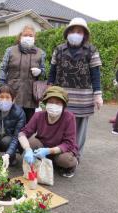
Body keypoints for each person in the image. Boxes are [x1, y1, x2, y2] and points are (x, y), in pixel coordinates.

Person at [48, 17, 102, 157]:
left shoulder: (91, 50)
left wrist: (98, 94)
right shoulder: (59, 50)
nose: (76, 34)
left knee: (79, 129)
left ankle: (73, 158)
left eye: (79, 31)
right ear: (67, 32)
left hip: (82, 98)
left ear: (84, 34)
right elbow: (52, 71)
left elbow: (95, 74)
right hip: (61, 96)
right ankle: (58, 155)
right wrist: (49, 88)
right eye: (73, 31)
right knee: (59, 126)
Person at [19, 86, 79, 178]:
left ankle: (70, 166)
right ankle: (48, 160)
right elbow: (23, 133)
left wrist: (49, 151)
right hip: (44, 146)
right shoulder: (39, 115)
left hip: (61, 150)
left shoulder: (69, 117)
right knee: (31, 142)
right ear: (45, 103)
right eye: (51, 102)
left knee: (64, 160)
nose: (54, 105)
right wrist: (27, 149)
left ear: (63, 105)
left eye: (58, 103)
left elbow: (68, 143)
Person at [0, 25, 46, 123]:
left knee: (27, 124)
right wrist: (1, 85)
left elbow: (44, 72)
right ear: (20, 37)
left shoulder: (41, 53)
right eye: (25, 35)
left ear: (35, 38)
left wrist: (40, 71)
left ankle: (24, 138)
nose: (28, 37)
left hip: (31, 95)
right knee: (11, 122)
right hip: (13, 92)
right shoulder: (10, 51)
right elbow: (3, 68)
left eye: (31, 35)